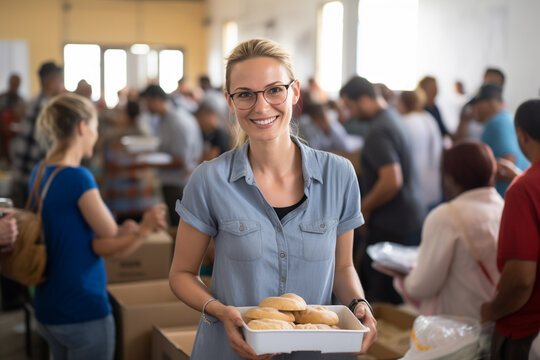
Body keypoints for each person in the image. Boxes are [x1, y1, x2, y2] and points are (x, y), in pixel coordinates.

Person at [169, 38, 377, 360]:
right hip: (231, 350)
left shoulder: (339, 175)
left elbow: (344, 267)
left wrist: (358, 304)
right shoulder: (210, 179)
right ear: (230, 100)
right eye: (245, 95)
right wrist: (220, 311)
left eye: (274, 90)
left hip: (315, 351)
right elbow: (181, 274)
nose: (262, 106)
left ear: (294, 92)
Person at [31, 93, 167, 360]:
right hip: (80, 306)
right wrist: (144, 227)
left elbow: (83, 236)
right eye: (94, 126)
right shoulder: (78, 178)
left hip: (48, 304)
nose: (96, 134)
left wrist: (125, 230)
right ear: (82, 127)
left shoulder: (41, 171)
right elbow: (108, 237)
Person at [378, 141, 503, 320]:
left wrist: (405, 277)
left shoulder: (447, 217)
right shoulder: (503, 207)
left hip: (458, 325)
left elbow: (423, 286)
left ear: (450, 178)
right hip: (496, 317)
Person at [340, 76, 424, 304]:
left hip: (392, 222)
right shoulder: (393, 117)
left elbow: (391, 180)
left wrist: (363, 209)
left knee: (383, 296)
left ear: (364, 100)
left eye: (349, 106)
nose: (349, 113)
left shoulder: (378, 130)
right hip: (408, 216)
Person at [481, 99, 540, 360]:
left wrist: (491, 311)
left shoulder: (522, 190)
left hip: (526, 330)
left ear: (522, 135)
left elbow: (521, 281)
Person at [141, 84, 203, 225]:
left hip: (179, 184)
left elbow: (181, 161)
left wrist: (147, 163)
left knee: (180, 227)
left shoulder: (177, 121)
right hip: (171, 181)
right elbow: (165, 150)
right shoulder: (163, 120)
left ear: (156, 100)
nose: (145, 107)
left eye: (147, 102)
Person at [469, 84, 529, 197]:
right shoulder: (509, 118)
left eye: (475, 105)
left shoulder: (495, 124)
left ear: (489, 102)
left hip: (505, 197)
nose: (472, 110)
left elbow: (507, 164)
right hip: (520, 193)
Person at [396, 90, 443, 212]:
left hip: (414, 185)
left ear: (403, 103)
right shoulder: (428, 117)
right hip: (433, 181)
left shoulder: (404, 122)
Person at [0, 73, 25, 164]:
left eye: (17, 85)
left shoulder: (21, 100)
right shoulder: (1, 98)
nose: (14, 87)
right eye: (13, 84)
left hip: (15, 138)